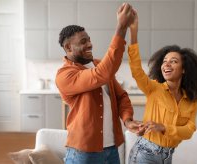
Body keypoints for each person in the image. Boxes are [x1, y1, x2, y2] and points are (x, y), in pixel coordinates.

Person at [55, 3, 144, 164]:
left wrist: (128, 120)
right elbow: (102, 74)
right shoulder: (65, 75)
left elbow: (121, 96)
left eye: (89, 40)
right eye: (83, 41)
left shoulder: (98, 64)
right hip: (84, 153)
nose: (89, 44)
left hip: (111, 150)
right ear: (68, 47)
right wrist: (121, 27)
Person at [126, 9, 197, 164]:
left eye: (173, 61)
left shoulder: (190, 100)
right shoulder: (154, 89)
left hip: (167, 156)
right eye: (164, 61)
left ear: (184, 69)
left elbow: (189, 131)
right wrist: (133, 31)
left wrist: (164, 127)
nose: (167, 64)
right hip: (145, 153)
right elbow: (136, 69)